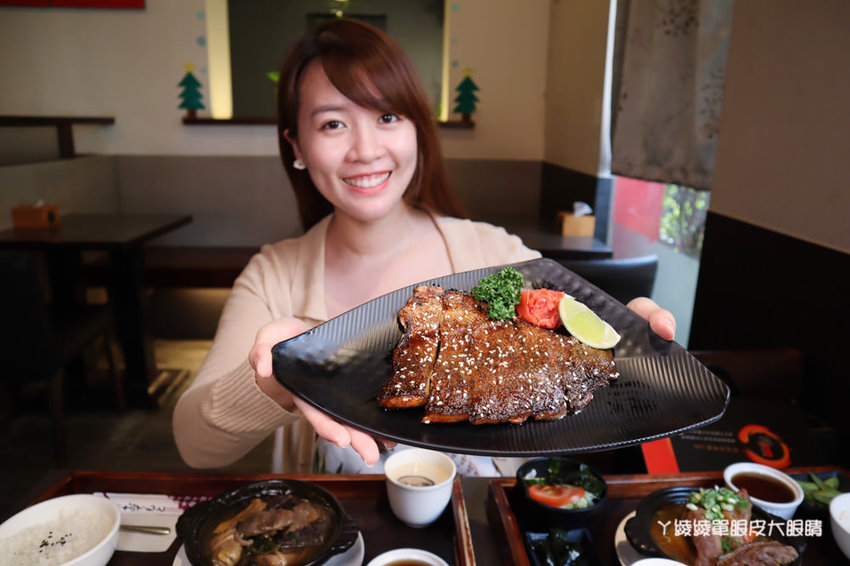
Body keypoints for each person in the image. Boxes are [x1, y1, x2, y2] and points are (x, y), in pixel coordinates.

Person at [172, 19, 676, 476]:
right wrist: (273, 379)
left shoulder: (493, 252)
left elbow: (576, 391)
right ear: (297, 147)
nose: (366, 149)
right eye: (332, 123)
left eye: (387, 116)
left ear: (417, 129)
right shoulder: (272, 277)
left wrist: (629, 351)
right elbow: (194, 444)